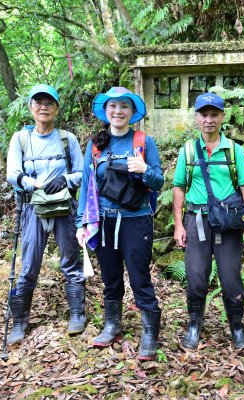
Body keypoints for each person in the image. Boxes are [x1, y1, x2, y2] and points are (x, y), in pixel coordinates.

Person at [75, 87, 164, 361]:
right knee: (110, 278)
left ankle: (150, 333)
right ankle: (112, 324)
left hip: (135, 221)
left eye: (124, 106)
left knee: (140, 277)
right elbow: (87, 185)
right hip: (103, 221)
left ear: (132, 112)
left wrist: (144, 170)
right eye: (113, 106)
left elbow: (159, 181)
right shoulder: (95, 144)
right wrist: (82, 222)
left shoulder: (143, 141)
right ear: (106, 111)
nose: (118, 111)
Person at [173, 92, 244, 350]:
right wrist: (178, 224)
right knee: (196, 276)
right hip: (196, 220)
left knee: (230, 276)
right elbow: (178, 187)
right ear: (196, 118)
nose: (209, 120)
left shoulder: (234, 150)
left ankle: (237, 325)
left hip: (228, 223)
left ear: (222, 117)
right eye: (203, 114)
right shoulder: (187, 150)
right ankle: (194, 323)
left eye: (214, 114)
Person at [5, 84, 85, 345]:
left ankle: (77, 314)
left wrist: (65, 180)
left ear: (57, 108)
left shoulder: (67, 138)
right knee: (28, 266)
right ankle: (19, 321)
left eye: (49, 103)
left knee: (71, 261)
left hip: (64, 208)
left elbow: (83, 174)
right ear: (31, 107)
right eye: (38, 102)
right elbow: (12, 173)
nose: (43, 107)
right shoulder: (20, 139)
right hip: (33, 208)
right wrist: (32, 184)